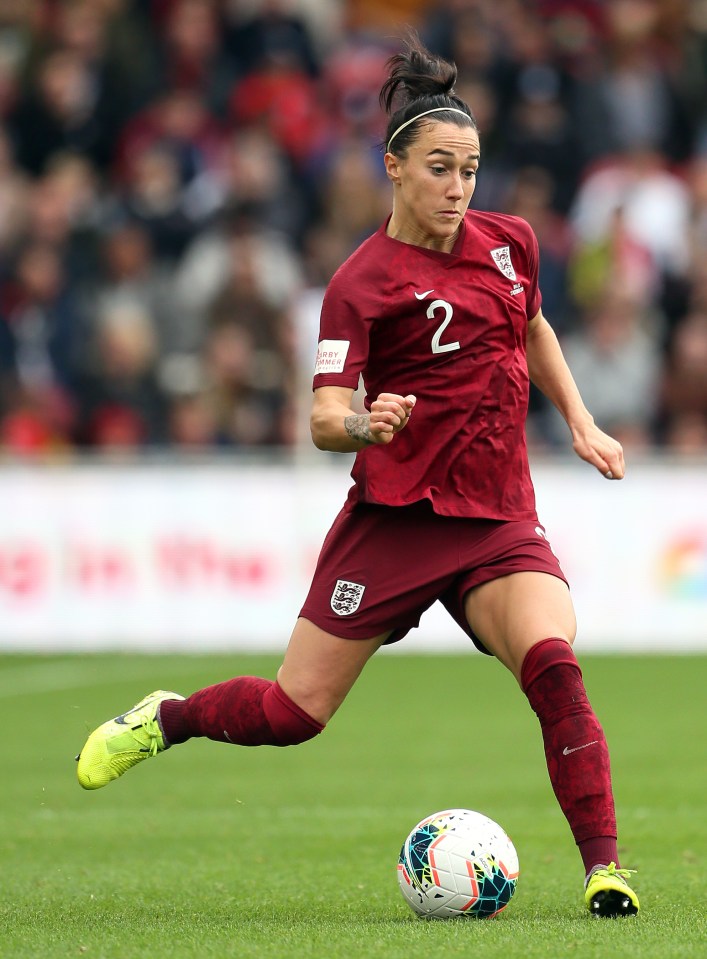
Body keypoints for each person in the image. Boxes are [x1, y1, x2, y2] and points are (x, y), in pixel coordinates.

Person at [76, 33, 639, 918]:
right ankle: (170, 716)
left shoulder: (510, 244)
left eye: (471, 170)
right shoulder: (361, 281)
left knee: (555, 667)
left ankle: (606, 870)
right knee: (292, 713)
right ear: (394, 167)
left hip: (495, 517)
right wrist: (363, 423)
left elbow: (533, 327)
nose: (459, 188)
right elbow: (322, 415)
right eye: (441, 169)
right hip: (397, 517)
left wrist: (578, 418)